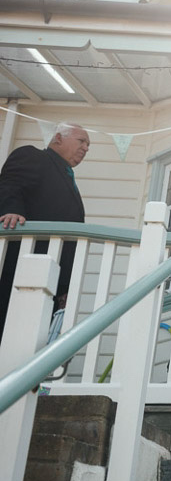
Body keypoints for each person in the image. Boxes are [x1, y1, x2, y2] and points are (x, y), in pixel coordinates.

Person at [0, 123, 89, 345]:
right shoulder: (33, 156)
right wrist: (11, 210)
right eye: (81, 141)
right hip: (20, 263)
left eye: (88, 145)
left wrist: (65, 288)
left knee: (34, 343)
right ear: (58, 138)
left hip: (53, 278)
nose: (86, 148)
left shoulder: (68, 178)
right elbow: (10, 183)